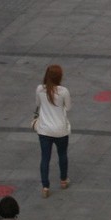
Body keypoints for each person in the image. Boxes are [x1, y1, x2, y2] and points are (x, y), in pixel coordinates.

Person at [34, 63, 71, 197]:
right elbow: (68, 107)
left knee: (45, 158)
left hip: (44, 130)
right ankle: (63, 180)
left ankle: (45, 187)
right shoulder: (63, 91)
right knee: (62, 155)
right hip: (60, 129)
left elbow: (37, 104)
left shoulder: (40, 89)